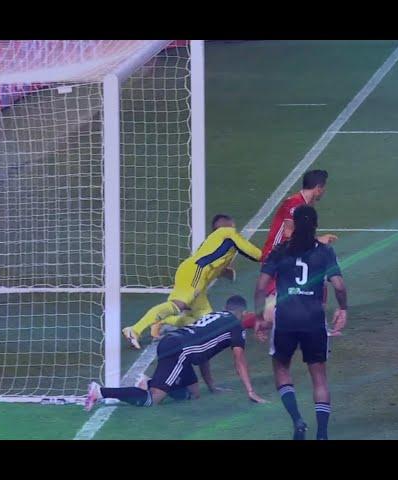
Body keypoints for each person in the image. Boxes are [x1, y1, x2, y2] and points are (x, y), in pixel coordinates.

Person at [255, 205, 347, 440]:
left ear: (293, 224)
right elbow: (338, 285)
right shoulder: (325, 251)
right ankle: (323, 434)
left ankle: (297, 420)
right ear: (315, 225)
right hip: (314, 322)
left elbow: (260, 287)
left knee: (281, 368)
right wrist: (343, 309)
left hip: (285, 321)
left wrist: (259, 317)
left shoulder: (280, 250)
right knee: (319, 377)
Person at [85, 295, 268, 410]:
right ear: (243, 313)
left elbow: (204, 354)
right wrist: (250, 391)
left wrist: (211, 386)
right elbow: (239, 360)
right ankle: (100, 391)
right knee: (153, 400)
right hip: (179, 351)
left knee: (193, 393)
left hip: (177, 344)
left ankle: (149, 382)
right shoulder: (235, 326)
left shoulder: (214, 316)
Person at [122, 214, 262, 349]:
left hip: (194, 275)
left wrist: (225, 272)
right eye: (233, 226)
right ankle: (134, 330)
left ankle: (164, 320)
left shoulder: (215, 242)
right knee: (179, 305)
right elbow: (254, 253)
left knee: (205, 323)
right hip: (195, 273)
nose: (235, 229)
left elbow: (214, 263)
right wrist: (270, 255)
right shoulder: (228, 232)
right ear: (228, 225)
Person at [260, 170, 337, 329]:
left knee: (318, 279)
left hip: (291, 254)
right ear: (318, 188)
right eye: (324, 188)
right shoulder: (294, 203)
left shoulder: (304, 204)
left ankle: (319, 324)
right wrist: (319, 240)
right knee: (268, 318)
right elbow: (289, 234)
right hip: (277, 257)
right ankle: (237, 321)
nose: (324, 191)